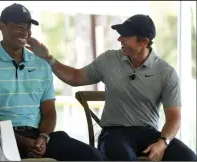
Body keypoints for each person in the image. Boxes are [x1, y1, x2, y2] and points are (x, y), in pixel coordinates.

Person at [26, 14, 197, 161]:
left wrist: (162, 143)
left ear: (143, 42)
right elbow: (75, 77)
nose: (119, 39)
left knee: (189, 158)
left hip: (149, 134)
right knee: (121, 156)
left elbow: (174, 118)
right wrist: (49, 58)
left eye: (126, 36)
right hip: (114, 133)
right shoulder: (108, 60)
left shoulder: (166, 72)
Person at [0, 3, 103, 161]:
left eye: (28, 28)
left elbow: (49, 113)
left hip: (38, 136)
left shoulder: (42, 64)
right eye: (19, 27)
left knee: (93, 156)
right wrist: (25, 143)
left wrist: (42, 139)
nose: (25, 33)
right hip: (2, 137)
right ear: (2, 27)